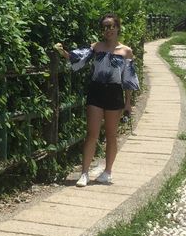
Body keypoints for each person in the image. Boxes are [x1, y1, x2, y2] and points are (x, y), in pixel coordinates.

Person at [55, 14, 140, 187]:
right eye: (104, 27)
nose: (107, 30)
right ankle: (84, 172)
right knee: (92, 133)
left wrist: (128, 103)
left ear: (117, 27)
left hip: (115, 93)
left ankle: (108, 171)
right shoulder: (96, 47)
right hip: (96, 91)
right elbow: (77, 58)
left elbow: (128, 79)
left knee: (111, 135)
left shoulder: (126, 51)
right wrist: (62, 52)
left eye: (110, 26)